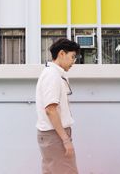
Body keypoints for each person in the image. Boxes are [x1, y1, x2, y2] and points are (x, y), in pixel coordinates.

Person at [36, 38, 80, 174]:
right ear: (61, 53)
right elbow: (51, 109)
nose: (74, 62)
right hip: (55, 135)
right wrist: (66, 141)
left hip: (53, 134)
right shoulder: (52, 75)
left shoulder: (54, 74)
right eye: (72, 57)